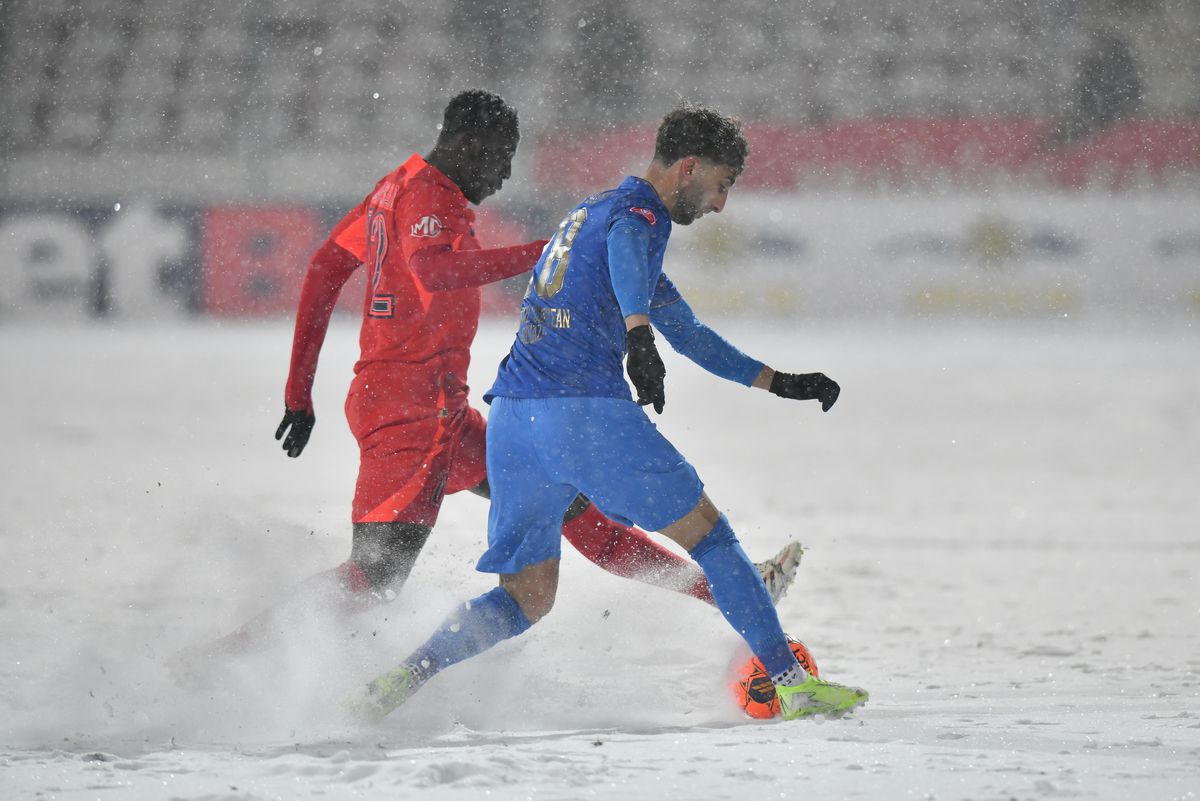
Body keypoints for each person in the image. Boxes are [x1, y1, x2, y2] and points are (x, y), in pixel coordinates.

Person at [190, 91, 802, 666]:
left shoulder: (394, 187)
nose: (505, 178)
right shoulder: (427, 194)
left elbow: (325, 268)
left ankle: (730, 592)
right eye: (503, 160)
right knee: (374, 578)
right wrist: (547, 249)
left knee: (581, 514)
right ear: (471, 145)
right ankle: (228, 662)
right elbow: (434, 272)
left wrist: (301, 394)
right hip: (412, 410)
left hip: (437, 411)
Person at [353, 104, 868, 722]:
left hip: (515, 422)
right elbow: (631, 256)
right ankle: (790, 683)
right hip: (584, 414)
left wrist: (777, 382)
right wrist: (637, 333)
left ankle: (402, 680)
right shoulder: (638, 216)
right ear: (689, 166)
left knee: (526, 596)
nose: (720, 205)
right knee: (711, 536)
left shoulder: (589, 213)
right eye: (722, 185)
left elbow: (691, 334)